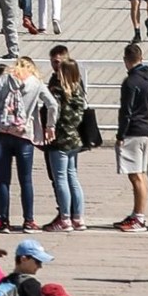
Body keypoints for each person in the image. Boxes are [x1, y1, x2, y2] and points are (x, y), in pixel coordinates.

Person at [0, 57, 58, 233]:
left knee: (3, 180)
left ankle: (3, 221)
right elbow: (52, 104)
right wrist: (50, 126)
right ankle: (28, 220)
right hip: (23, 134)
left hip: (1, 134)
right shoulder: (36, 83)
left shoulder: (4, 79)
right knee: (26, 180)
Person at [114, 40, 148, 233]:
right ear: (141, 58)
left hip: (133, 131)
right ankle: (137, 213)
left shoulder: (130, 82)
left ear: (125, 60)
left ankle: (139, 217)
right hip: (145, 128)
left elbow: (126, 110)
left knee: (135, 175)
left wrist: (121, 134)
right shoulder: (147, 79)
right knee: (140, 173)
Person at [44, 56, 87, 233]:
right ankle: (78, 217)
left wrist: (49, 127)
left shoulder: (58, 90)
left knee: (60, 178)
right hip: (74, 138)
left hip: (60, 138)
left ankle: (65, 218)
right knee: (72, 177)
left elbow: (53, 109)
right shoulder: (78, 89)